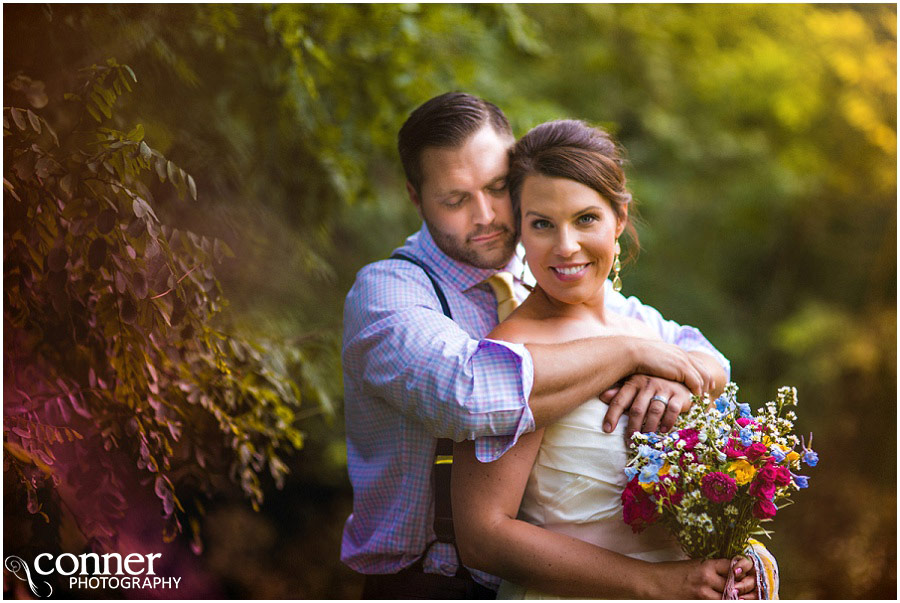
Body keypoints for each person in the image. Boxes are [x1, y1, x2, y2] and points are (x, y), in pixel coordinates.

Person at [341, 93, 730, 598]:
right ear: (416, 198)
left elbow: (701, 352)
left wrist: (674, 377)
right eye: (455, 199)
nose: (486, 216)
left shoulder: (550, 272)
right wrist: (627, 354)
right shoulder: (390, 293)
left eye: (498, 188)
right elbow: (472, 394)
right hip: (426, 584)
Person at [451, 119, 759, 599]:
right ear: (518, 234)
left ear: (619, 217)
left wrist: (680, 382)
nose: (566, 246)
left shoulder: (645, 328)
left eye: (586, 218)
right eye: (542, 224)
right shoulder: (510, 356)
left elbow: (712, 364)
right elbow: (482, 537)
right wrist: (653, 584)